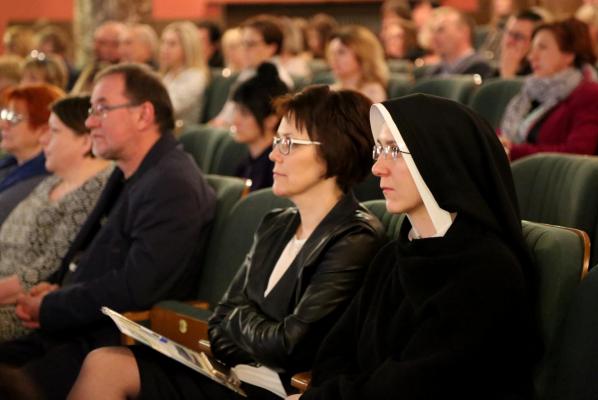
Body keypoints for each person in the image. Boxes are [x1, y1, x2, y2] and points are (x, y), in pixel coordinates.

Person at [67, 84, 385, 400]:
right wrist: (250, 325)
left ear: (335, 150)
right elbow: (219, 321)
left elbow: (291, 347)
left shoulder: (353, 236)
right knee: (105, 362)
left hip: (276, 391)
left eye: (288, 143)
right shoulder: (276, 223)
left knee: (107, 367)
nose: (274, 154)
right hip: (227, 374)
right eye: (277, 141)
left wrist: (240, 320)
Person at [288, 93, 537, 399]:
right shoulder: (392, 257)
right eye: (379, 149)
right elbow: (333, 354)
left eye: (393, 150)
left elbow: (418, 386)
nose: (378, 167)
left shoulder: (487, 273)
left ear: (436, 157)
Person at [0, 63, 216, 400]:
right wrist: (56, 286)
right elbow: (94, 255)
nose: (89, 122)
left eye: (101, 109)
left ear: (144, 114)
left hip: (104, 341)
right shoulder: (134, 172)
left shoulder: (172, 184)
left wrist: (52, 304)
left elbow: (136, 288)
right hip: (74, 329)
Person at [0, 95, 112, 341]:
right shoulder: (53, 180)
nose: (43, 139)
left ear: (84, 141)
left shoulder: (95, 189)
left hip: (21, 308)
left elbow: (50, 265)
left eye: (54, 131)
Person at [499, 18, 598, 160]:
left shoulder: (589, 94)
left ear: (568, 55)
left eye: (542, 47)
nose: (531, 57)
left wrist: (511, 151)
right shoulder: (531, 90)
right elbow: (509, 133)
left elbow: (577, 152)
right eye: (532, 49)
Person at [211, 15, 294, 128]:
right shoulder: (248, 73)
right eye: (242, 44)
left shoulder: (279, 82)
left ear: (271, 48)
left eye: (250, 44)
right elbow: (226, 116)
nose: (244, 50)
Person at [0, 83, 65, 225]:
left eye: (14, 118)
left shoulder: (42, 180)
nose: (3, 124)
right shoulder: (9, 165)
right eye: (5, 115)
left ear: (44, 128)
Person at [231, 62, 289, 191]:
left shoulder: (277, 170)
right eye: (236, 111)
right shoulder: (245, 164)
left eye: (245, 114)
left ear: (271, 120)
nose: (235, 121)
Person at [159, 21, 209, 126]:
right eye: (163, 42)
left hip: (182, 135)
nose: (164, 48)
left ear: (187, 48)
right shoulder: (169, 75)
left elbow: (168, 109)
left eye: (172, 44)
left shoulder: (195, 77)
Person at [423, 7, 495, 79]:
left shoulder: (479, 68)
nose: (434, 37)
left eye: (441, 30)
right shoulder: (433, 72)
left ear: (463, 31)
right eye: (432, 31)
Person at [327, 25, 389, 103]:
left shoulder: (373, 93)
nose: (334, 59)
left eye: (341, 52)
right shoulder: (329, 92)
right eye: (331, 53)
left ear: (362, 54)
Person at [71, 21, 125, 94]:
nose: (106, 49)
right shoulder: (82, 72)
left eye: (114, 44)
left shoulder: (129, 76)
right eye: (101, 43)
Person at [494, 9, 544, 78]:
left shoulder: (537, 74)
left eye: (518, 36)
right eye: (508, 33)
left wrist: (507, 75)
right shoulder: (495, 69)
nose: (510, 41)